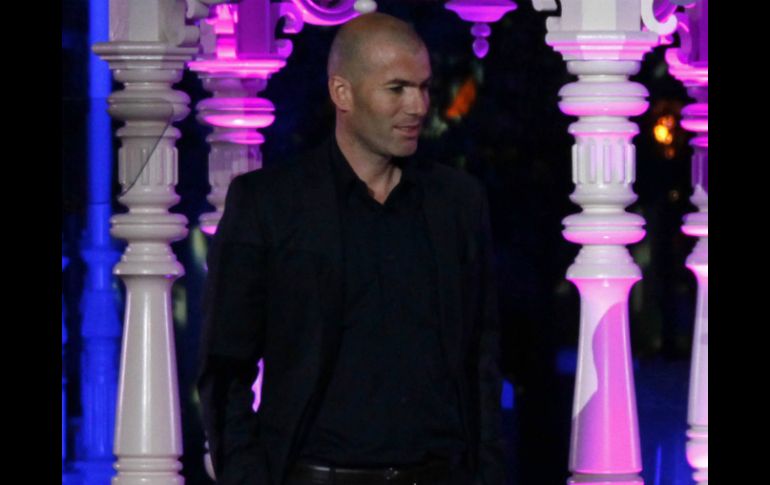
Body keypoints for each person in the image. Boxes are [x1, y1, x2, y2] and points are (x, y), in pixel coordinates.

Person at [197, 12, 504, 485]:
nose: (418, 106)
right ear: (342, 93)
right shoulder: (269, 203)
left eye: (424, 87)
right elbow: (224, 370)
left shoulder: (458, 203)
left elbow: (481, 361)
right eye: (397, 89)